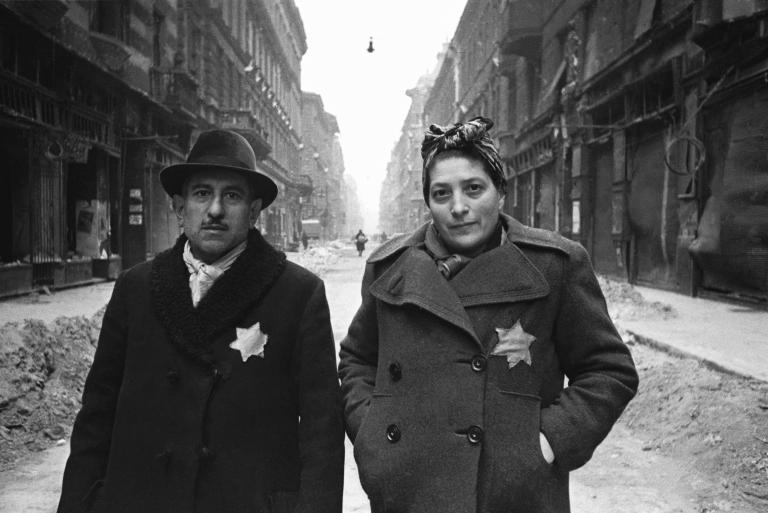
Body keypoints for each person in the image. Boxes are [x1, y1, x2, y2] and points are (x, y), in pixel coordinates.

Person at [338, 117, 638, 513]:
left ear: (500, 193)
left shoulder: (554, 265)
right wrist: (371, 432)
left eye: (473, 188)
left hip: (512, 494)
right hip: (407, 490)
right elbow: (358, 359)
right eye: (441, 193)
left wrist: (547, 442)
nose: (458, 207)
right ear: (428, 203)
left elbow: (609, 370)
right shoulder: (388, 267)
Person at [58, 130, 344, 513]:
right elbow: (97, 414)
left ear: (254, 212)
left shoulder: (297, 294)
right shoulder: (135, 289)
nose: (215, 210)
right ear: (179, 208)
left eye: (232, 196)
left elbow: (322, 429)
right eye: (202, 193)